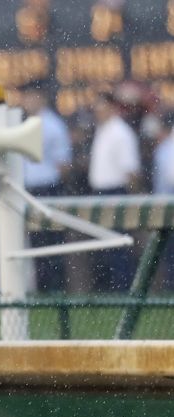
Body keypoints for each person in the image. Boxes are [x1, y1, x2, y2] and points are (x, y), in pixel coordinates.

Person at [20, 80, 73, 293]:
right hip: (30, 190)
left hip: (47, 189)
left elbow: (64, 165)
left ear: (41, 97)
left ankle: (56, 289)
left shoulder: (53, 125)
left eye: (32, 96)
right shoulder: (25, 123)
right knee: (36, 243)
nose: (27, 101)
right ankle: (43, 289)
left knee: (51, 242)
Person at [88, 91, 141, 291]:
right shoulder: (103, 130)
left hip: (115, 193)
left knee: (118, 243)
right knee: (106, 244)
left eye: (101, 107)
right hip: (101, 193)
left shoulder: (121, 132)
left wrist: (133, 201)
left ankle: (124, 287)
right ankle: (112, 287)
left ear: (111, 107)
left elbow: (131, 172)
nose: (97, 111)